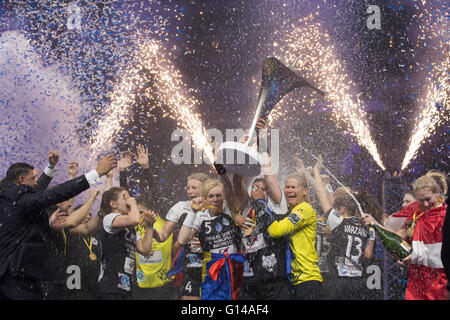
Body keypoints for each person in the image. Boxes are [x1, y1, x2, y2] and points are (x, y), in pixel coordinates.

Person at [0, 152, 116, 300]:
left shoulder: (12, 199)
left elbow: (35, 196)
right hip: (16, 280)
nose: (36, 182)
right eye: (33, 178)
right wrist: (97, 173)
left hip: (19, 277)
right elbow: (54, 194)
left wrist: (50, 168)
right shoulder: (15, 196)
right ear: (21, 180)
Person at [364, 170, 448, 300]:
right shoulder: (416, 214)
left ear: (437, 192)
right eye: (421, 200)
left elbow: (441, 255)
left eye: (428, 199)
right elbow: (397, 238)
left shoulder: (445, 216)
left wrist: (415, 256)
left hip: (439, 286)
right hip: (417, 284)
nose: (425, 204)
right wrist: (375, 224)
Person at [177, 178, 244, 300]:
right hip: (213, 270)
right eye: (211, 196)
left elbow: (231, 191)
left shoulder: (230, 211)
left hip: (234, 268)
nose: (215, 199)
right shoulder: (200, 216)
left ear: (224, 197)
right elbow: (182, 240)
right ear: (205, 198)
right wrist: (192, 211)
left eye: (219, 195)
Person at [258, 173, 323, 300]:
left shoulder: (304, 209)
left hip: (307, 279)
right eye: (287, 187)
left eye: (293, 187)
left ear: (304, 191)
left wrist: (260, 204)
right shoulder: (291, 210)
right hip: (295, 280)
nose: (289, 190)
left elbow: (275, 230)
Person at [153, 172, 209, 300]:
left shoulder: (215, 206)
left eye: (194, 188)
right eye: (188, 188)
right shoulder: (180, 207)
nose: (190, 191)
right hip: (191, 263)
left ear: (206, 188)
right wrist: (153, 231)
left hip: (212, 262)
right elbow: (163, 235)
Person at [326, 190, 375, 300]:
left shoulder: (340, 222)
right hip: (357, 281)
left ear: (342, 208)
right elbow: (368, 254)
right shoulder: (368, 227)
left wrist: (316, 174)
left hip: (338, 279)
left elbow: (323, 198)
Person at [96, 187, 141, 300]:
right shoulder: (109, 218)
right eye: (125, 197)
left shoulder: (129, 227)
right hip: (110, 285)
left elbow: (144, 249)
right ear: (113, 204)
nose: (129, 199)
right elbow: (135, 219)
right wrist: (133, 203)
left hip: (125, 284)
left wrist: (150, 226)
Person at [133, 195, 175, 300]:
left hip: (163, 284)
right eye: (136, 212)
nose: (139, 216)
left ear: (152, 211)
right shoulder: (134, 226)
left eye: (141, 212)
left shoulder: (165, 226)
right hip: (140, 284)